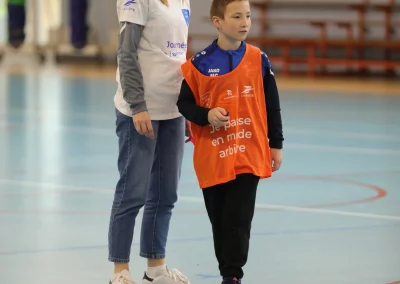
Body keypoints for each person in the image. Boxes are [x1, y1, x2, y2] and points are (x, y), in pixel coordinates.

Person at [176, 0, 284, 283]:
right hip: (213, 156)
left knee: (238, 217)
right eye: (237, 16)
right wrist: (206, 115)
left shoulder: (259, 59)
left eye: (248, 16)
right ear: (218, 22)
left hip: (248, 151)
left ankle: (232, 276)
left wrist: (277, 143)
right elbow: (184, 105)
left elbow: (272, 105)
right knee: (220, 220)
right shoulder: (199, 64)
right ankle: (228, 270)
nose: (245, 22)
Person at [109, 0, 192, 283]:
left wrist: (189, 108)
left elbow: (178, 56)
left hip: (173, 111)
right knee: (132, 192)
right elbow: (126, 52)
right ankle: (120, 272)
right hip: (140, 111)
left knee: (165, 194)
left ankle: (156, 271)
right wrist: (137, 104)